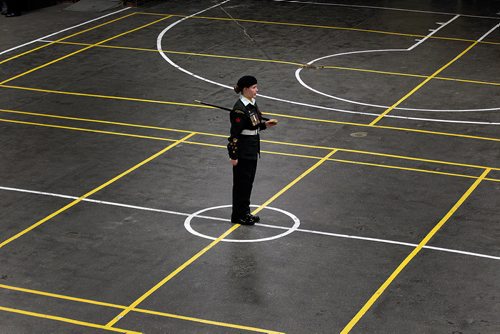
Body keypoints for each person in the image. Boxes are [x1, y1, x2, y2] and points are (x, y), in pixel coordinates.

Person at [227, 75, 278, 225]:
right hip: (243, 151)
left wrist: (265, 125)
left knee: (248, 184)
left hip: (252, 149)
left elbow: (253, 126)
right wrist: (233, 155)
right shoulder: (239, 110)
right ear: (245, 89)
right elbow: (234, 135)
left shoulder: (252, 104)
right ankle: (238, 215)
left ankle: (245, 211)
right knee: (241, 185)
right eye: (254, 87)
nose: (257, 90)